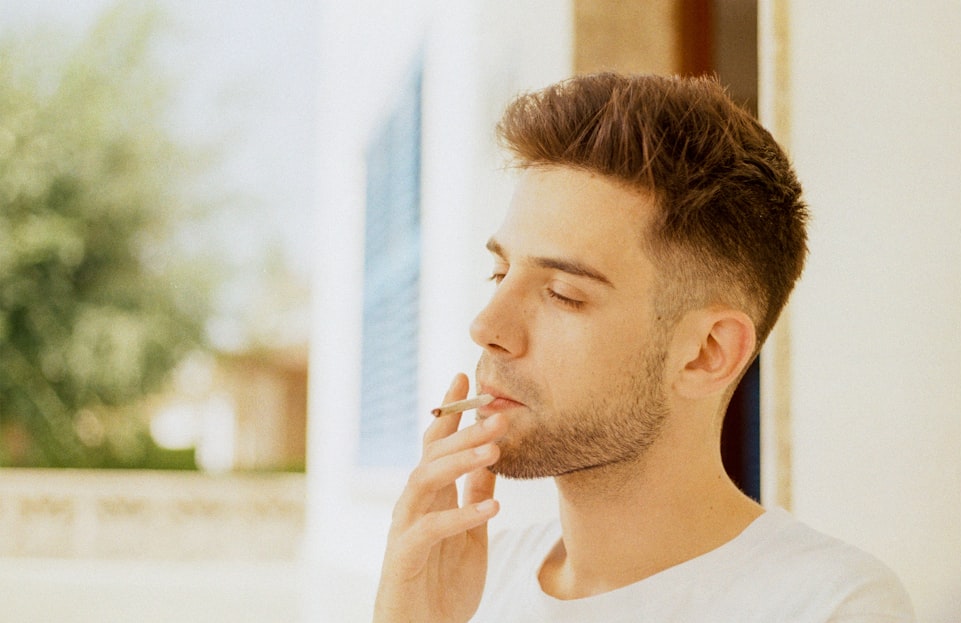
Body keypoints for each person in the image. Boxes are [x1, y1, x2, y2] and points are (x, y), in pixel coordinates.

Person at [373, 72, 914, 622]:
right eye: (500, 272)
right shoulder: (466, 582)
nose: (487, 326)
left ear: (706, 352)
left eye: (562, 294)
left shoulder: (829, 605)